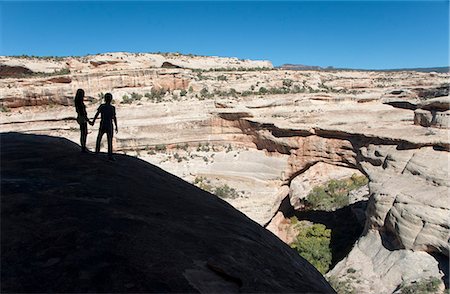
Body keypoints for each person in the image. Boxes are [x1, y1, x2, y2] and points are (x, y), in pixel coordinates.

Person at [90, 93, 118, 160]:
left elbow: (97, 114)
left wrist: (93, 121)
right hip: (109, 124)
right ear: (111, 99)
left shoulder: (102, 106)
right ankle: (110, 155)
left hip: (103, 123)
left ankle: (97, 152)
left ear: (105, 99)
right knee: (109, 140)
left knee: (99, 138)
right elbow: (114, 117)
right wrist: (116, 126)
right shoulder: (112, 108)